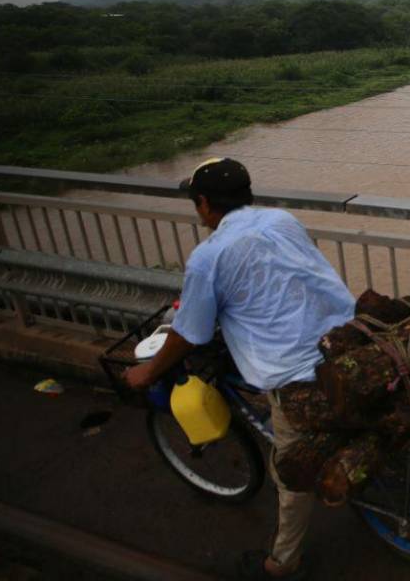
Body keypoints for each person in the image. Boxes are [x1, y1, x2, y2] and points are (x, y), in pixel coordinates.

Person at [125, 157, 354, 580]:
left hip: (298, 370)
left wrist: (148, 371)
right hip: (349, 340)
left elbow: (188, 333)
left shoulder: (209, 257)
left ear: (205, 204)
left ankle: (283, 563)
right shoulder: (281, 219)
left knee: (291, 473)